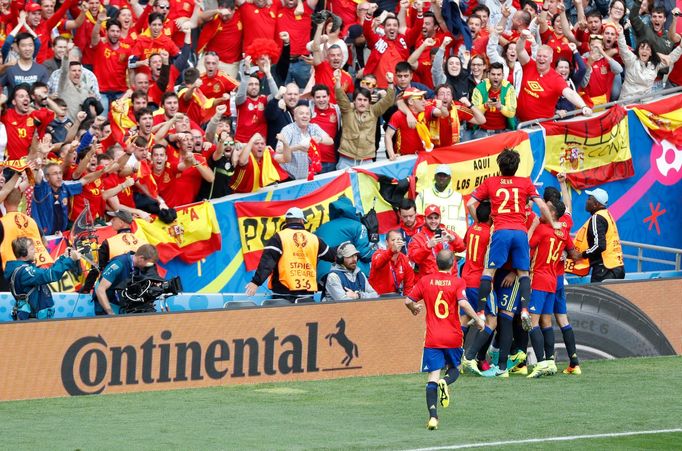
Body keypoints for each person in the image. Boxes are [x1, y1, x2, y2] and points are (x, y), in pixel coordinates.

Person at [466, 148, 557, 376]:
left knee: (489, 270)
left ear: (500, 165)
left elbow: (470, 204)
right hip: (519, 233)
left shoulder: (491, 182)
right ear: (517, 166)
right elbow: (541, 204)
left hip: (502, 231)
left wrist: (479, 221)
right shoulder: (525, 183)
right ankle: (525, 309)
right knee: (524, 273)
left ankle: (479, 311)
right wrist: (551, 222)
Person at [404, 249, 484, 430]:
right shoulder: (457, 282)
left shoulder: (425, 281)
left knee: (432, 376)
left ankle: (433, 418)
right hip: (453, 336)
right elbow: (463, 303)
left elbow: (407, 300)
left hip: (433, 337)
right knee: (455, 369)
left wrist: (414, 308)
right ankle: (445, 382)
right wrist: (478, 320)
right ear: (453, 264)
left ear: (435, 263)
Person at [526, 199, 580, 378]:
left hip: (539, 279)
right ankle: (550, 362)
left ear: (554, 213)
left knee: (532, 323)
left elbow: (526, 244)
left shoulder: (542, 229)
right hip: (552, 280)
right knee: (546, 323)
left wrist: (533, 225)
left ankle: (541, 362)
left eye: (546, 209)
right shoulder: (563, 232)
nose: (543, 211)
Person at [245, 207, 335, 302]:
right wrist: (344, 256)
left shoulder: (278, 237)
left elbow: (267, 262)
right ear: (301, 221)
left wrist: (256, 282)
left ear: (287, 221)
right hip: (306, 295)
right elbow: (332, 255)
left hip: (283, 294)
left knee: (286, 317)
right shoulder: (314, 239)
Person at [515, 31, 593, 122]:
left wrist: (583, 106)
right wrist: (522, 38)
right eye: (539, 56)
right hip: (520, 122)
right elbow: (519, 50)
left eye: (545, 56)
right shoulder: (529, 65)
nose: (541, 58)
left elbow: (570, 93)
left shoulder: (556, 78)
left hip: (542, 125)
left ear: (551, 59)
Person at [5, 237, 81, 320]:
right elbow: (51, 274)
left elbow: (48, 272)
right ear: (24, 253)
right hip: (32, 319)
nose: (35, 251)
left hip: (34, 317)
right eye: (32, 249)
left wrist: (64, 258)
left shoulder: (25, 269)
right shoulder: (25, 272)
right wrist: (70, 260)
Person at [335, 70, 396, 169]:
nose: (362, 103)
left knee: (366, 185)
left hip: (367, 160)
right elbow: (340, 96)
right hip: (346, 159)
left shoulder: (374, 110)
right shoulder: (347, 109)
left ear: (369, 101)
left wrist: (390, 83)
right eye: (359, 100)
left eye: (365, 100)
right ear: (354, 101)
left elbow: (388, 100)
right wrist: (338, 81)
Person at [571, 187, 625, 282]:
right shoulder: (607, 214)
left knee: (597, 297)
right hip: (617, 266)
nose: (587, 201)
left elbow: (599, 245)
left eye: (589, 199)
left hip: (605, 269)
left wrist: (581, 255)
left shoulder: (597, 218)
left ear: (596, 204)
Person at [314, 196, 374, 280]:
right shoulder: (358, 226)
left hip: (320, 275)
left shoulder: (320, 228)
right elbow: (364, 254)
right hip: (344, 275)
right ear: (351, 209)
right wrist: (377, 253)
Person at [408, 204, 465, 279]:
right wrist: (427, 247)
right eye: (430, 218)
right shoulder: (417, 238)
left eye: (436, 218)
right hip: (430, 282)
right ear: (424, 219)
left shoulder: (448, 233)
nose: (433, 221)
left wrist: (453, 240)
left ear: (440, 218)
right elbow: (414, 258)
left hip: (449, 281)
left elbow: (463, 248)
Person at [415, 164, 467, 240]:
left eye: (445, 175)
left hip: (450, 240)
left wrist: (458, 240)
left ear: (449, 178)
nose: (442, 178)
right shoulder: (423, 194)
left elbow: (461, 223)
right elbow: (417, 219)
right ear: (435, 176)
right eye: (439, 175)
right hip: (428, 239)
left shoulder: (458, 197)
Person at [369, 229, 415, 296]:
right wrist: (391, 251)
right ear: (386, 242)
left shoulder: (405, 259)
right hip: (376, 297)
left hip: (394, 298)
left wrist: (407, 301)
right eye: (393, 240)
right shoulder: (378, 253)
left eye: (399, 240)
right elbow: (377, 264)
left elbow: (409, 285)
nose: (397, 243)